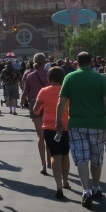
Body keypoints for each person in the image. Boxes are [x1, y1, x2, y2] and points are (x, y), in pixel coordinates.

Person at [56, 51, 106, 208]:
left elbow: (61, 102)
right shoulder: (100, 78)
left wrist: (58, 121)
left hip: (77, 123)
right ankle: (96, 186)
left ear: (76, 63)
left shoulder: (70, 78)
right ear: (91, 62)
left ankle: (86, 190)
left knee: (81, 157)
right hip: (98, 123)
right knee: (97, 157)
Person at [34, 66, 71, 199]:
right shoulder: (67, 90)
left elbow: (36, 110)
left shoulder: (43, 91)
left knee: (55, 155)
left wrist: (41, 110)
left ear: (49, 78)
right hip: (65, 126)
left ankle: (58, 185)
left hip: (49, 126)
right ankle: (65, 180)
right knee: (65, 155)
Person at [21, 53, 51, 176]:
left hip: (35, 104)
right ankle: (49, 160)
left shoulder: (30, 75)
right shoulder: (49, 74)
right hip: (48, 103)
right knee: (49, 133)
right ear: (44, 62)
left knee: (40, 135)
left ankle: (43, 163)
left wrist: (22, 101)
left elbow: (25, 91)